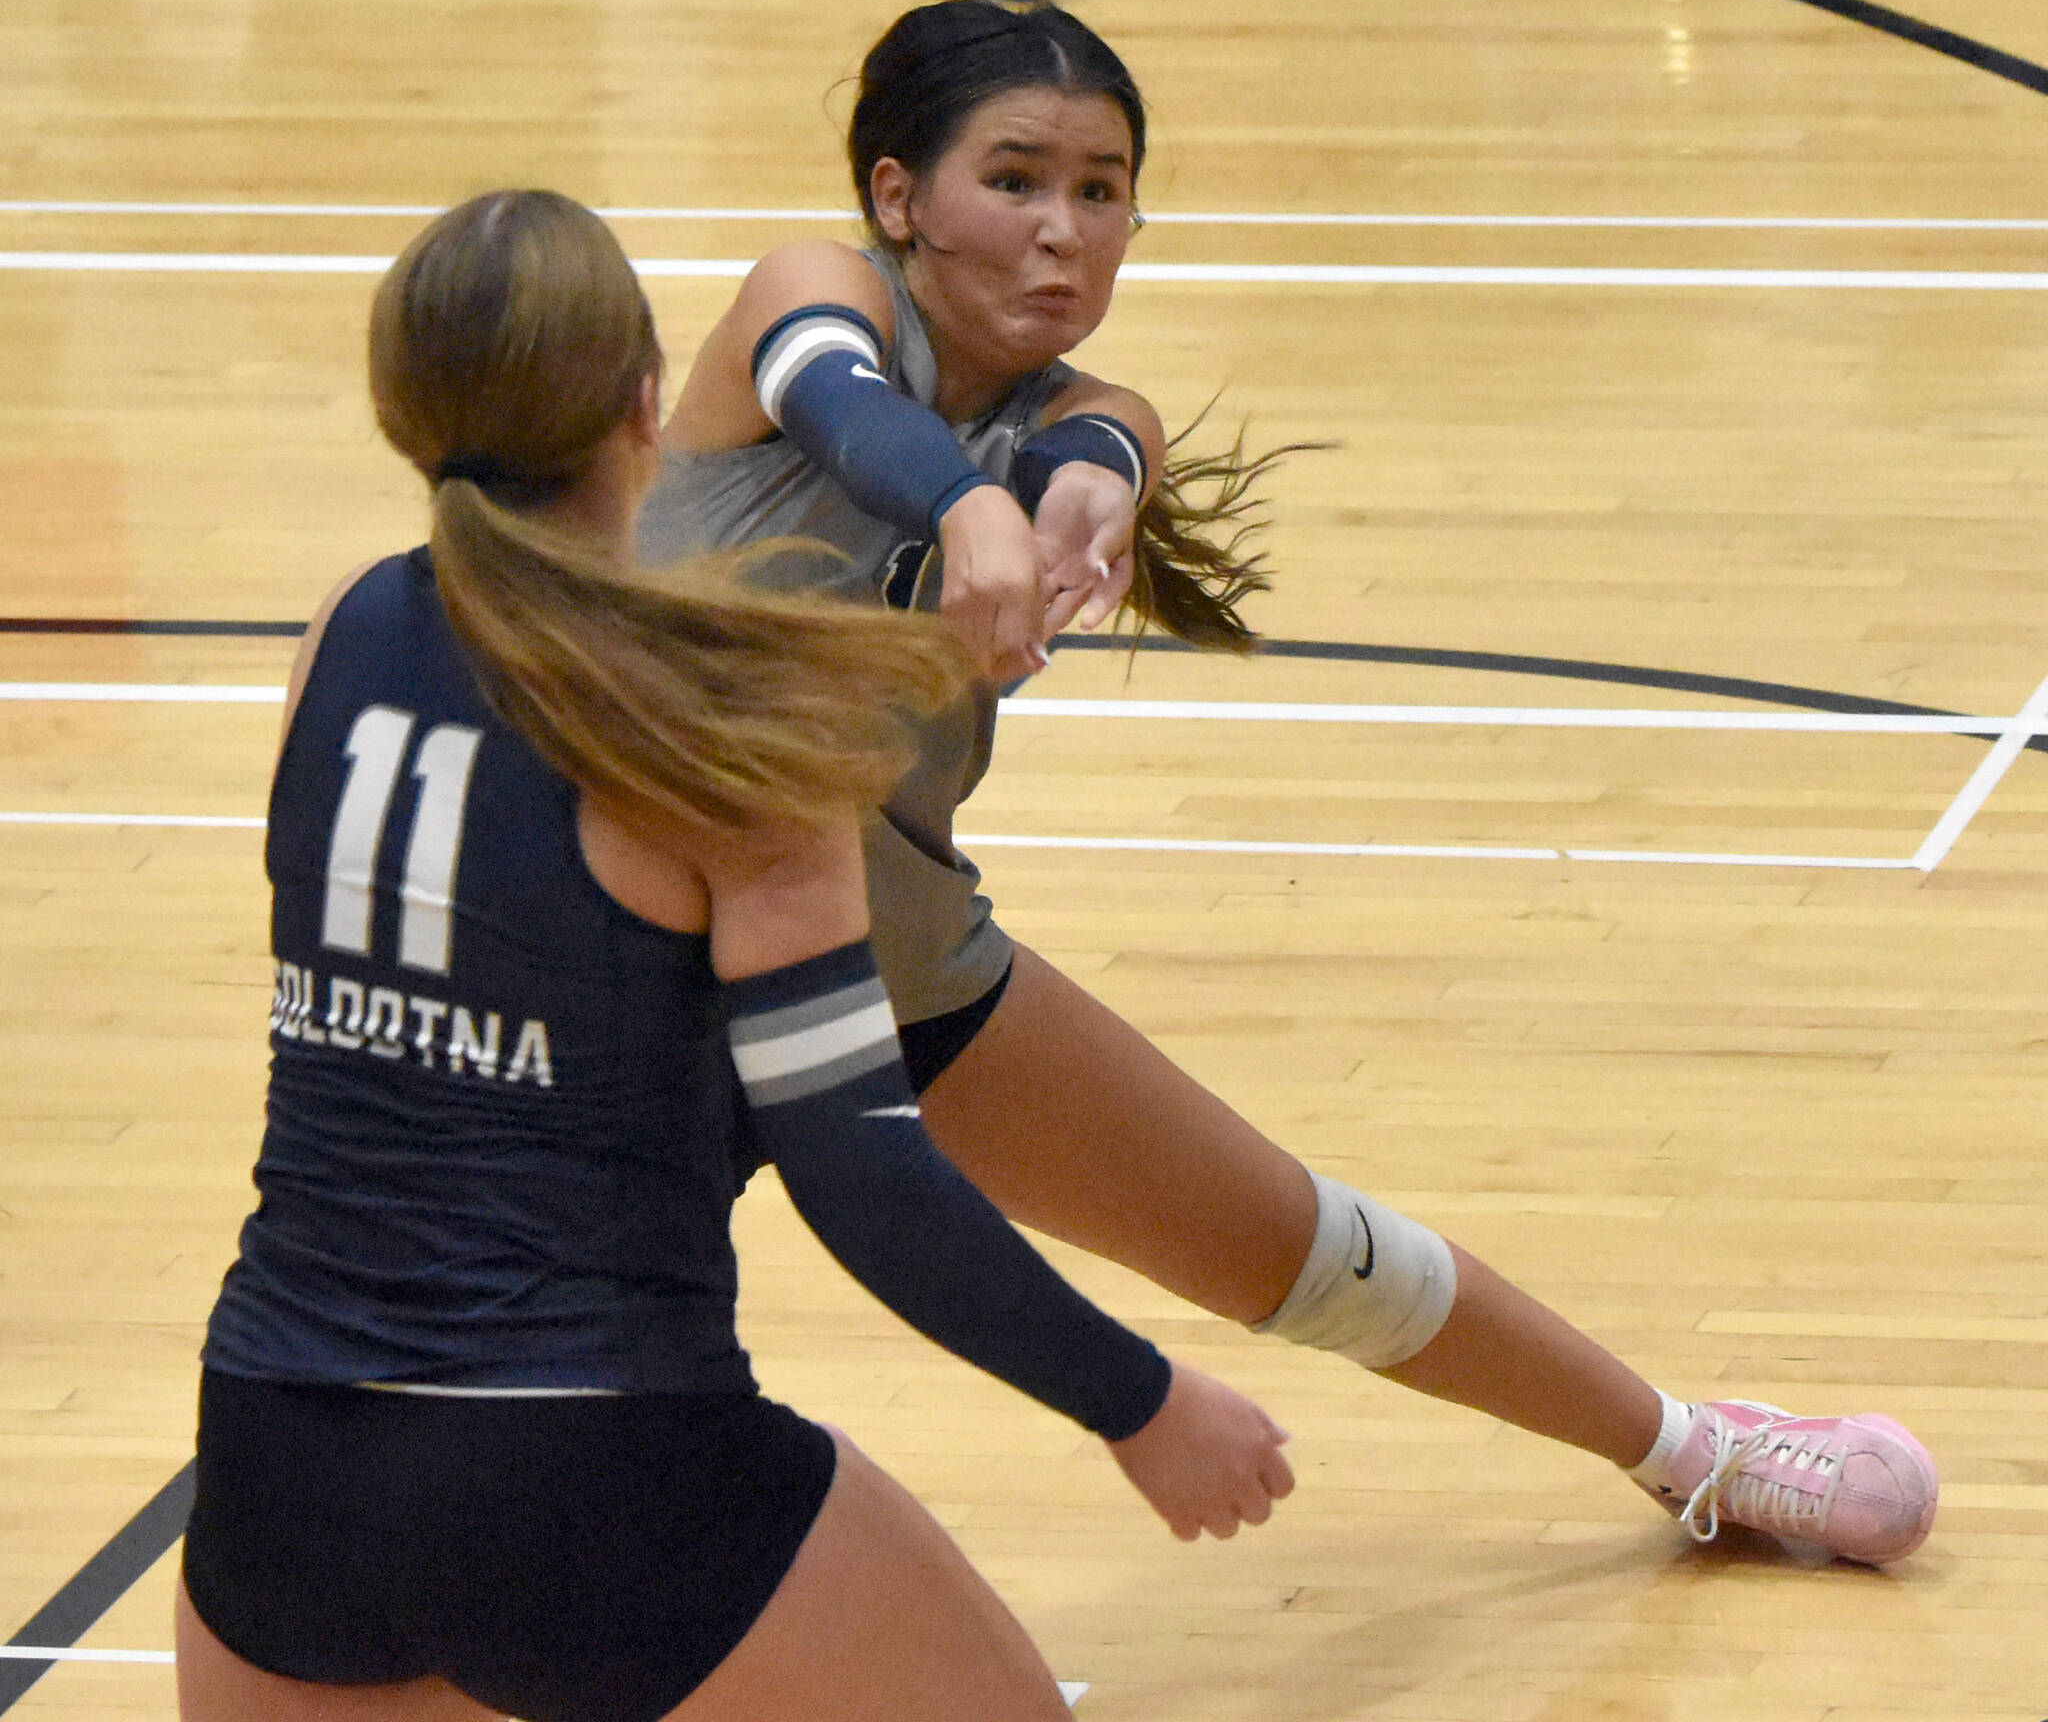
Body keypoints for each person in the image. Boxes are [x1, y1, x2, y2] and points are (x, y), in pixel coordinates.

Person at [640, 0, 1939, 1566]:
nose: (1065, 232)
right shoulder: (818, 295)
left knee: (1300, 1243)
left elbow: (1098, 457)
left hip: (887, 948)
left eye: (1103, 191)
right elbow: (836, 399)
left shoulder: (1088, 415)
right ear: (900, 197)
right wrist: (966, 515)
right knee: (512, 1356)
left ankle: (1694, 1453)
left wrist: (1063, 505)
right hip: (620, 959)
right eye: (1018, 180)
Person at [176, 189, 1297, 1722]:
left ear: (401, 411)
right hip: (598, 1459)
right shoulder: (719, 731)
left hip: (276, 1466)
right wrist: (1140, 1399)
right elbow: (862, 1177)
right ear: (647, 403)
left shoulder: (342, 632)